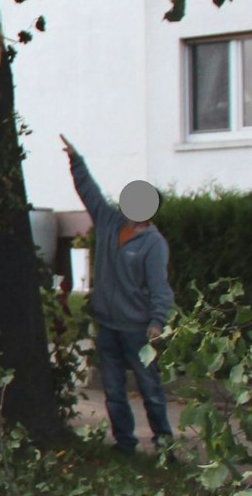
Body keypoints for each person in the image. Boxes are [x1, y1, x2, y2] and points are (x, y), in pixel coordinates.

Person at [62, 137, 174, 454]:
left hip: (137, 329)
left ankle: (164, 445)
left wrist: (157, 321)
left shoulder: (154, 244)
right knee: (113, 390)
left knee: (150, 388)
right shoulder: (110, 222)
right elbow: (90, 193)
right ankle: (125, 443)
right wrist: (76, 160)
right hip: (107, 324)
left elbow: (159, 288)